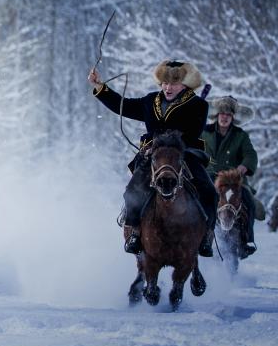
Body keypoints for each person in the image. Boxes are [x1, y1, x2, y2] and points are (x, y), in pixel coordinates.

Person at [87, 59, 216, 256]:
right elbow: (123, 106)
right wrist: (100, 87)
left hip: (184, 155)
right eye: (164, 83)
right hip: (152, 157)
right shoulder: (150, 101)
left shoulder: (198, 105)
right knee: (132, 190)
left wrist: (165, 144)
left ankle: (206, 235)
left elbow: (192, 134)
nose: (168, 87)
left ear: (185, 84)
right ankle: (134, 232)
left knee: (209, 191)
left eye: (173, 83)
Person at [203, 95, 261, 258]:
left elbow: (250, 154)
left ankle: (246, 241)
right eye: (222, 113)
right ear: (217, 115)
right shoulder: (204, 131)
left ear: (232, 117)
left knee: (248, 199)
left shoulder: (240, 135)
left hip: (233, 179)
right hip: (208, 177)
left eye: (228, 115)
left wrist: (244, 166)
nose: (224, 117)